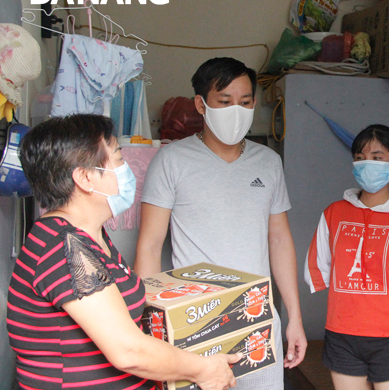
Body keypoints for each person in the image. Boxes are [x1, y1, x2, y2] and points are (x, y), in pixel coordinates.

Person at [7, 114, 240, 390]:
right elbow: (128, 351)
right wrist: (204, 369)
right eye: (118, 159)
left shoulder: (89, 236)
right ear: (85, 177)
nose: (127, 168)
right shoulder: (64, 247)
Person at [134, 57, 306, 390]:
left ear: (255, 103)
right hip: (195, 321)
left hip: (257, 319)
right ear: (201, 104)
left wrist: (294, 319)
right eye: (225, 102)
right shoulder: (171, 161)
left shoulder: (269, 163)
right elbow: (150, 244)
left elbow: (280, 240)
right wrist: (150, 327)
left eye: (244, 103)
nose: (236, 111)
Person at [305, 124, 389, 390]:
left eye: (377, 157)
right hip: (342, 337)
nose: (367, 164)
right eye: (361, 157)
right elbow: (320, 270)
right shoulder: (333, 214)